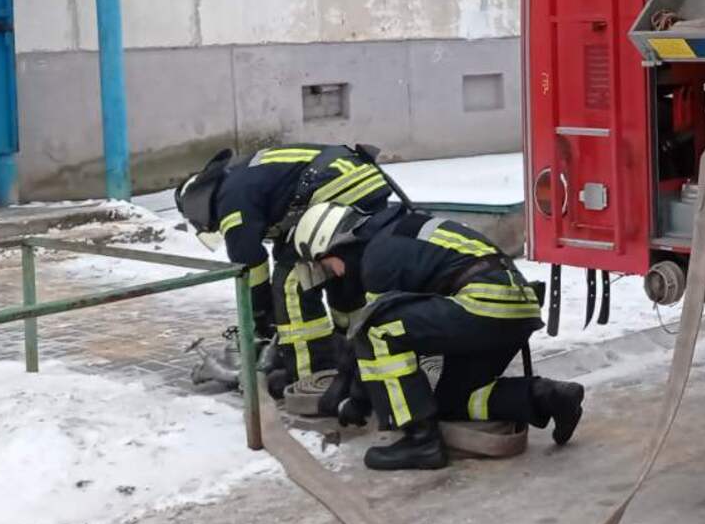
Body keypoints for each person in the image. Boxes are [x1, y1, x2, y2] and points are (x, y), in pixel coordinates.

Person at [290, 200, 586, 471]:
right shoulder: (395, 235)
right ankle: (549, 397)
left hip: (485, 304)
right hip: (512, 309)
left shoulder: (377, 258)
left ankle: (421, 441)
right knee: (448, 401)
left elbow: (374, 334)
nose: (336, 276)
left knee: (378, 329)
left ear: (337, 246)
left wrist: (357, 399)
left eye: (328, 266)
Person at [176, 144, 393, 395]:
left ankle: (311, 378)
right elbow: (285, 236)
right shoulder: (244, 179)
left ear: (197, 206)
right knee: (342, 277)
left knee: (292, 281)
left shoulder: (231, 201)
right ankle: (355, 354)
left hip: (336, 188)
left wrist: (259, 315)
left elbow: (249, 266)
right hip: (362, 182)